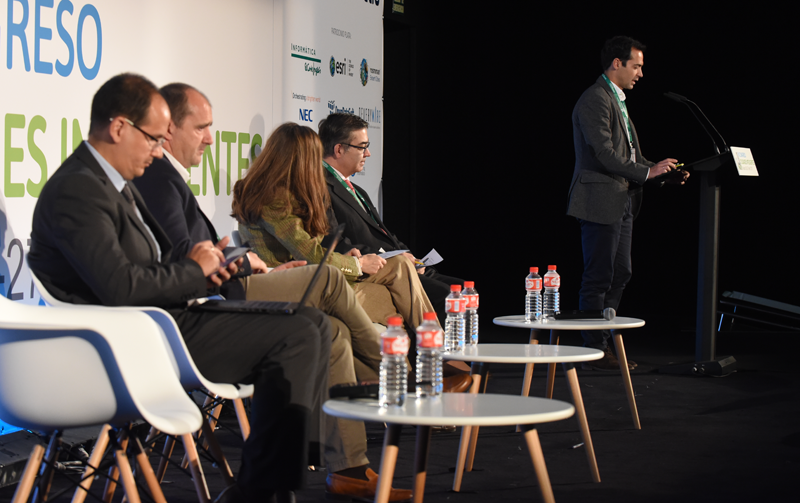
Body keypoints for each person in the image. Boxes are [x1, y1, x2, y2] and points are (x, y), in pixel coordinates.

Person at [27, 73, 329, 503]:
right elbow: (120, 287)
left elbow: (148, 267)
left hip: (159, 322)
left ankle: (280, 474)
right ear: (118, 128)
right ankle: (265, 487)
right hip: (129, 342)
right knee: (299, 333)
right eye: (152, 138)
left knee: (309, 323)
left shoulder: (112, 183)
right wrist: (196, 271)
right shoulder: (77, 189)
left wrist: (210, 265)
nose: (157, 149)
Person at [132, 83, 413, 502]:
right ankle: (399, 372)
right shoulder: (162, 180)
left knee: (334, 332)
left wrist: (249, 260)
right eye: (203, 127)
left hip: (243, 281)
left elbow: (200, 254)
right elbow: (188, 262)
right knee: (332, 280)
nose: (210, 138)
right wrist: (239, 261)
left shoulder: (171, 179)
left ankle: (351, 467)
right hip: (227, 295)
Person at [232, 122, 436, 335]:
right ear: (301, 160)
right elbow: (310, 253)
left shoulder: (288, 193)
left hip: (315, 278)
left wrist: (346, 255)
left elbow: (314, 244)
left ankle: (434, 354)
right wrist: (357, 264)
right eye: (314, 158)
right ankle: (431, 356)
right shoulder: (272, 199)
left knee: (400, 265)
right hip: (294, 288)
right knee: (392, 299)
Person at [567, 36, 688, 370]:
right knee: (599, 274)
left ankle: (601, 342)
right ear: (616, 64)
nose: (640, 73)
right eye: (636, 66)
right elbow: (604, 154)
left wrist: (661, 174)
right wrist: (648, 173)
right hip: (599, 198)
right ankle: (594, 350)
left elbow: (629, 156)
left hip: (621, 198)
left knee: (620, 271)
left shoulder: (615, 99)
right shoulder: (595, 98)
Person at [318, 113, 464, 325]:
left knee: (464, 290)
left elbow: (383, 233)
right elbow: (336, 241)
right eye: (362, 146)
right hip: (376, 268)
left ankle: (458, 353)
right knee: (445, 295)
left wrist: (410, 256)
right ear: (339, 149)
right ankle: (435, 356)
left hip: (398, 265)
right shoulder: (320, 187)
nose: (367, 153)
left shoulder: (355, 189)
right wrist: (391, 259)